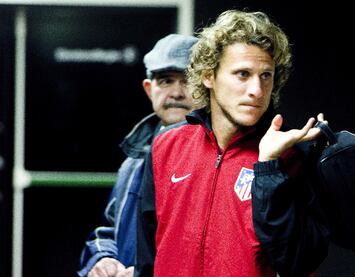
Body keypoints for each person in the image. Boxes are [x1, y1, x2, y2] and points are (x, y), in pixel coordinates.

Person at [136, 10, 330, 277]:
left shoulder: (291, 155)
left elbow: (297, 263)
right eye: (242, 74)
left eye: (266, 75)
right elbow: (147, 257)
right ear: (208, 76)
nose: (257, 90)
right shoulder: (165, 147)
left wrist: (269, 167)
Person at [77, 33, 198, 277]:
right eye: (165, 81)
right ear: (148, 89)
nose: (176, 92)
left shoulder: (217, 159)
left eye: (188, 81)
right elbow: (109, 228)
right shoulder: (134, 160)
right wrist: (102, 258)